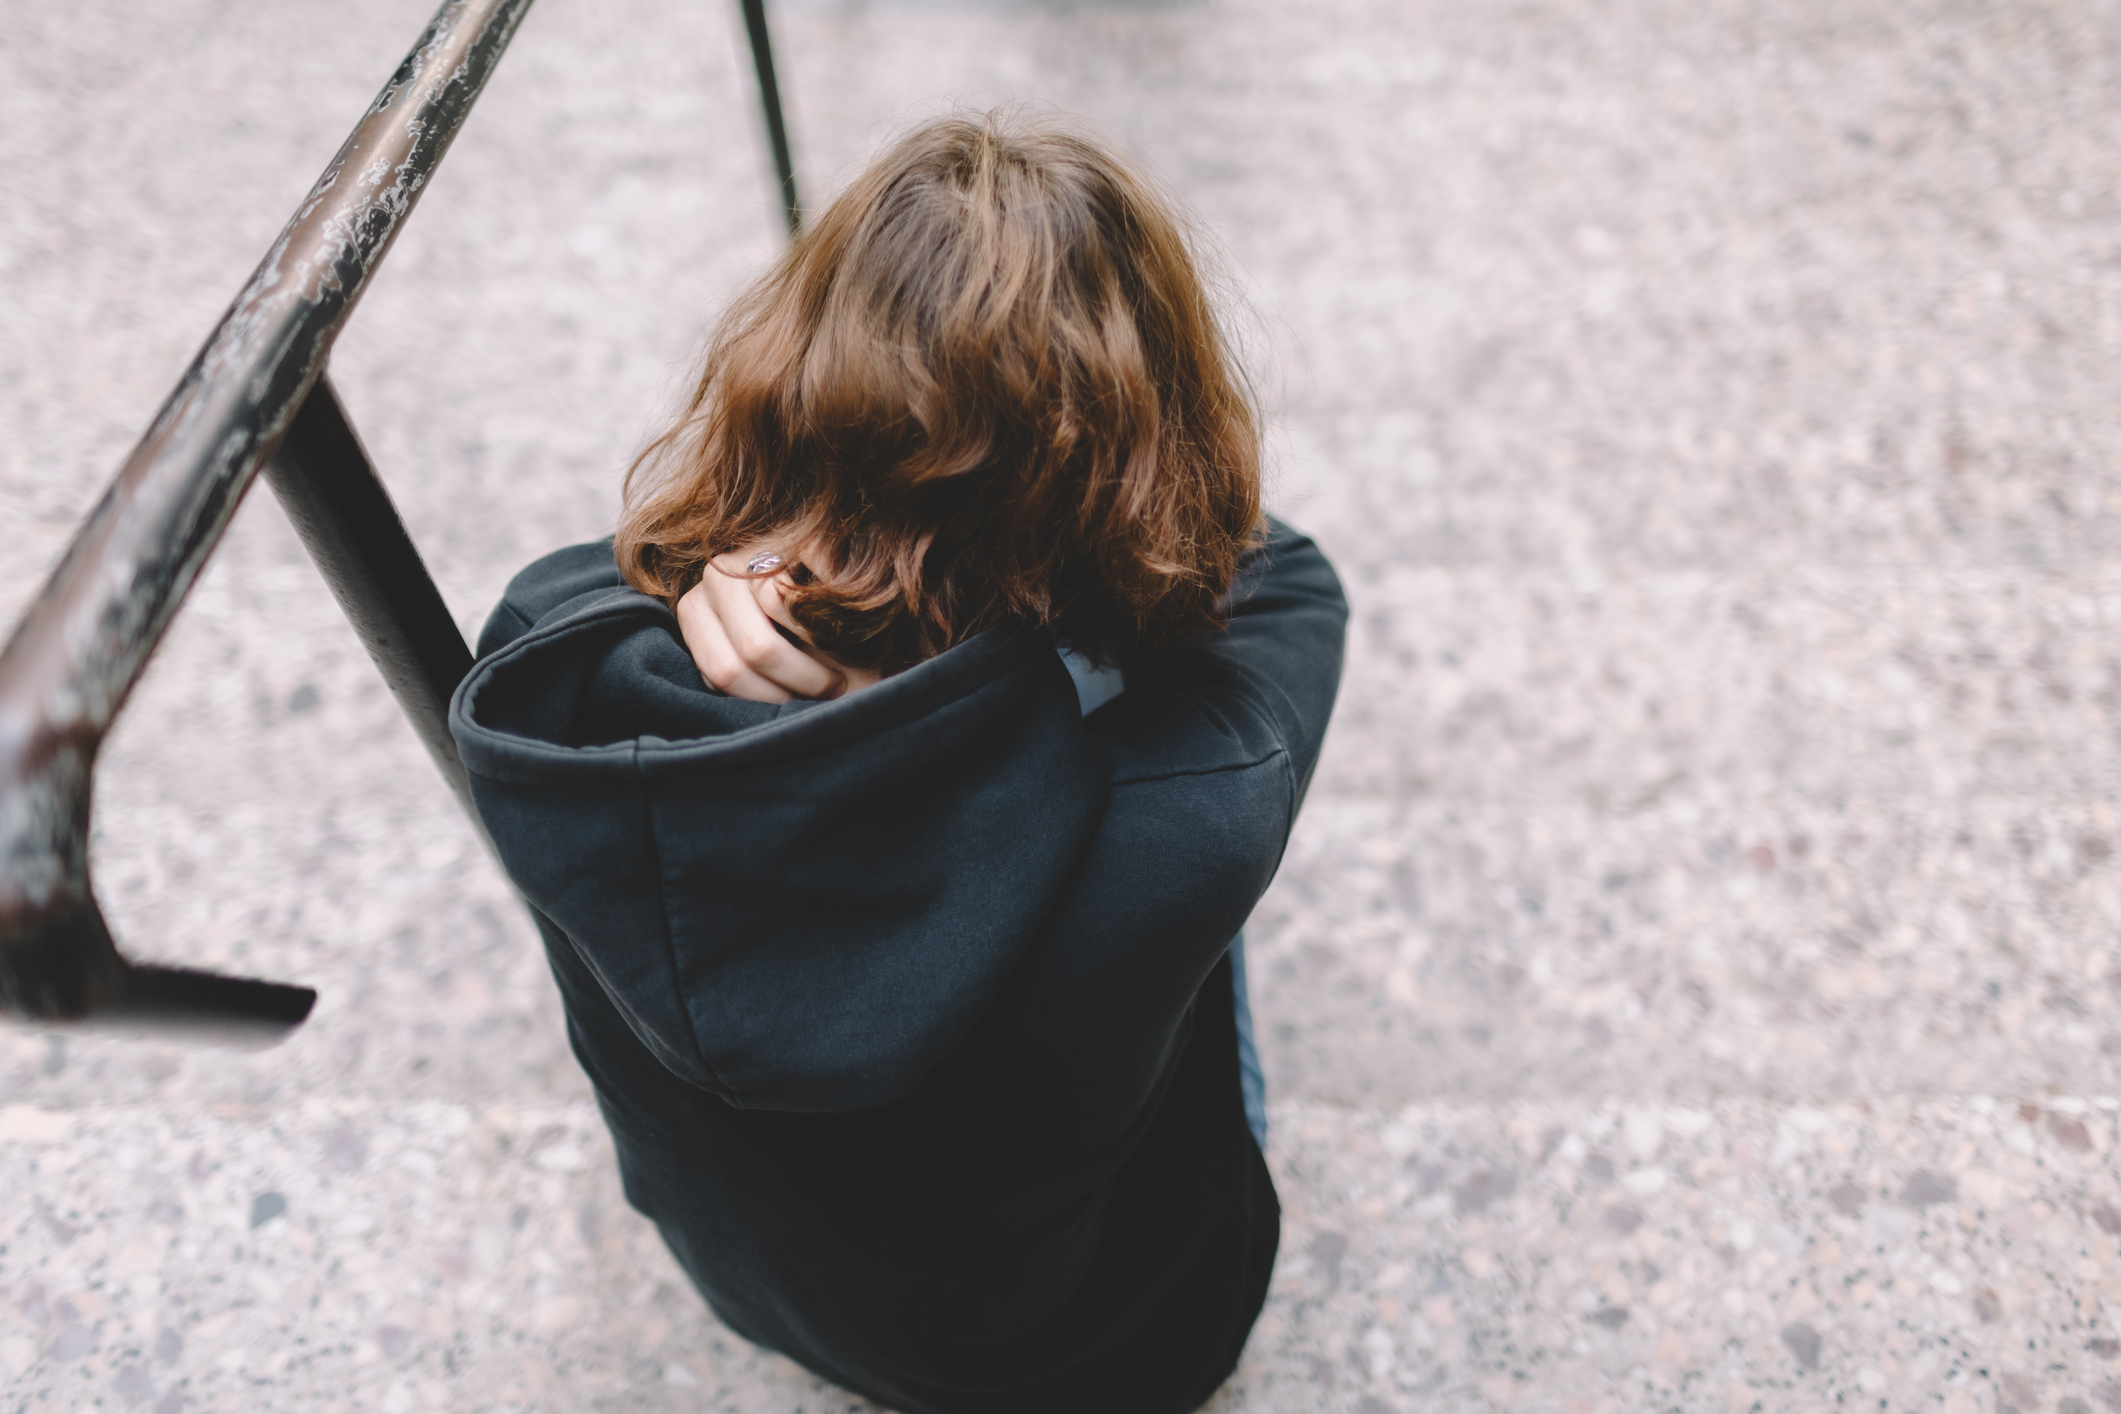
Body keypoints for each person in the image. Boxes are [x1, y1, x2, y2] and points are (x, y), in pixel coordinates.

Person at [448, 111, 1346, 1414]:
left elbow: (599, 569)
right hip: (1104, 1352)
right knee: (1184, 732)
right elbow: (1283, 576)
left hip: (746, 1284)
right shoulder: (1183, 810)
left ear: (791, 380)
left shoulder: (550, 672)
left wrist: (746, 559)